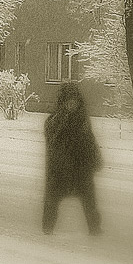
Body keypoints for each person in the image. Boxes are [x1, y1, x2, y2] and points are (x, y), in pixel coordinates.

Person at [43, 82, 103, 235]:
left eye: (74, 101)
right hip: (60, 171)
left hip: (81, 169)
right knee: (52, 201)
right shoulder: (53, 121)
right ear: (62, 102)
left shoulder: (82, 120)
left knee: (89, 200)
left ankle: (95, 230)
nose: (72, 104)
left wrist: (96, 157)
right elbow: (52, 138)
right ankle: (47, 230)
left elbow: (90, 140)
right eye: (68, 101)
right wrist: (63, 118)